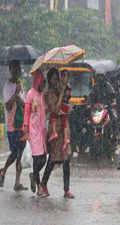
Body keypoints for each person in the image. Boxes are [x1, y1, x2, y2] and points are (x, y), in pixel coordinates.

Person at [41, 68, 73, 198]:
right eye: (53, 79)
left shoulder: (62, 91)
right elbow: (54, 109)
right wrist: (60, 96)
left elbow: (65, 105)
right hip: (55, 130)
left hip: (63, 128)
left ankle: (66, 189)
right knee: (53, 159)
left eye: (57, 79)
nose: (55, 81)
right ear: (49, 80)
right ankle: (43, 183)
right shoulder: (49, 94)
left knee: (66, 159)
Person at [0, 60, 27, 191]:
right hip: (11, 125)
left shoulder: (21, 87)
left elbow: (25, 106)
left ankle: (17, 182)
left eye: (19, 69)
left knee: (20, 154)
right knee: (15, 152)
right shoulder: (7, 86)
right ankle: (3, 170)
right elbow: (8, 106)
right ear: (11, 70)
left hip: (21, 125)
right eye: (15, 69)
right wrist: (15, 94)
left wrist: (20, 99)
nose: (18, 72)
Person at [22, 70, 48, 196]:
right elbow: (27, 113)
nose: (43, 85)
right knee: (37, 158)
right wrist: (26, 130)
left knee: (43, 158)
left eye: (44, 83)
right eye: (42, 82)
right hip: (33, 131)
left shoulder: (43, 95)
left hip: (42, 131)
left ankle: (33, 175)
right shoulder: (30, 95)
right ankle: (39, 186)